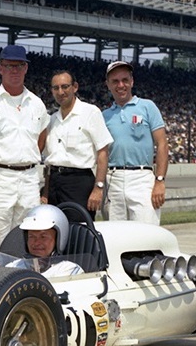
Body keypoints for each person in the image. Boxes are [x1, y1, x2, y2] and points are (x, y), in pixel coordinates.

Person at [0, 44, 48, 251]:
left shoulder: (36, 103)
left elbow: (41, 138)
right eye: (9, 66)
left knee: (28, 235)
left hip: (29, 178)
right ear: (1, 68)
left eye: (19, 65)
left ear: (26, 68)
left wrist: (23, 158)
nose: (14, 70)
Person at [101, 61, 169, 224]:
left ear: (132, 82)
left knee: (146, 231)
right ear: (108, 85)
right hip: (113, 179)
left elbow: (162, 144)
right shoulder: (104, 115)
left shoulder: (147, 107)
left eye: (125, 80)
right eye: (115, 81)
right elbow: (101, 153)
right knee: (116, 232)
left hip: (142, 177)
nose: (121, 85)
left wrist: (160, 180)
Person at [43, 70, 112, 216]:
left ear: (75, 87)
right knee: (55, 227)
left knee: (79, 227)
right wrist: (46, 192)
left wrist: (98, 187)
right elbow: (49, 162)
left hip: (79, 183)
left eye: (65, 86)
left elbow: (103, 152)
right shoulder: (52, 120)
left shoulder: (90, 112)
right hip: (54, 183)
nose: (60, 92)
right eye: (56, 88)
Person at [8, 204, 83, 277]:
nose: (36, 243)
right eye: (32, 236)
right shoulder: (14, 267)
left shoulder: (68, 270)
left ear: (58, 240)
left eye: (43, 237)